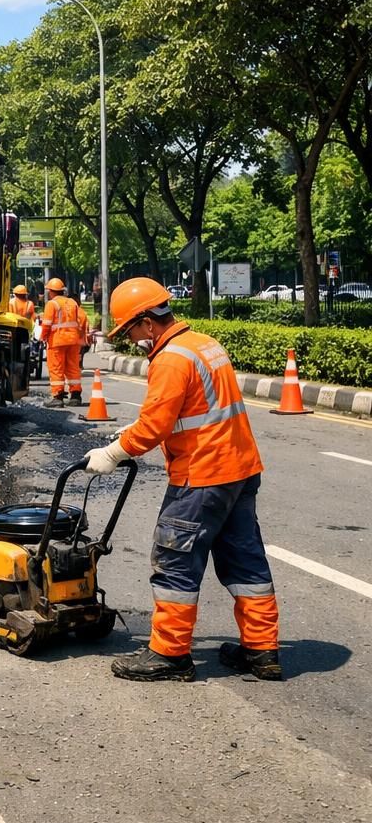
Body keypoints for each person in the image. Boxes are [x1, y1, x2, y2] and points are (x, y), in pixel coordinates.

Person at [83, 278, 279, 682]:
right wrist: (127, 433)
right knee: (245, 560)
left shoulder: (170, 359)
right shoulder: (204, 344)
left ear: (147, 323)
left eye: (131, 330)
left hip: (202, 475)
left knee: (175, 560)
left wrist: (113, 452)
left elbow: (156, 425)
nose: (132, 338)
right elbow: (188, 410)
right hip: (240, 470)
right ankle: (262, 651)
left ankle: (170, 655)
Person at [41, 277, 89, 406]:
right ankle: (75, 396)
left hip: (57, 341)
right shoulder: (72, 303)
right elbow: (79, 320)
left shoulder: (52, 304)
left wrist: (43, 337)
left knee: (56, 368)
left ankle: (58, 396)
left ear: (51, 291)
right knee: (73, 368)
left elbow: (46, 324)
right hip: (73, 341)